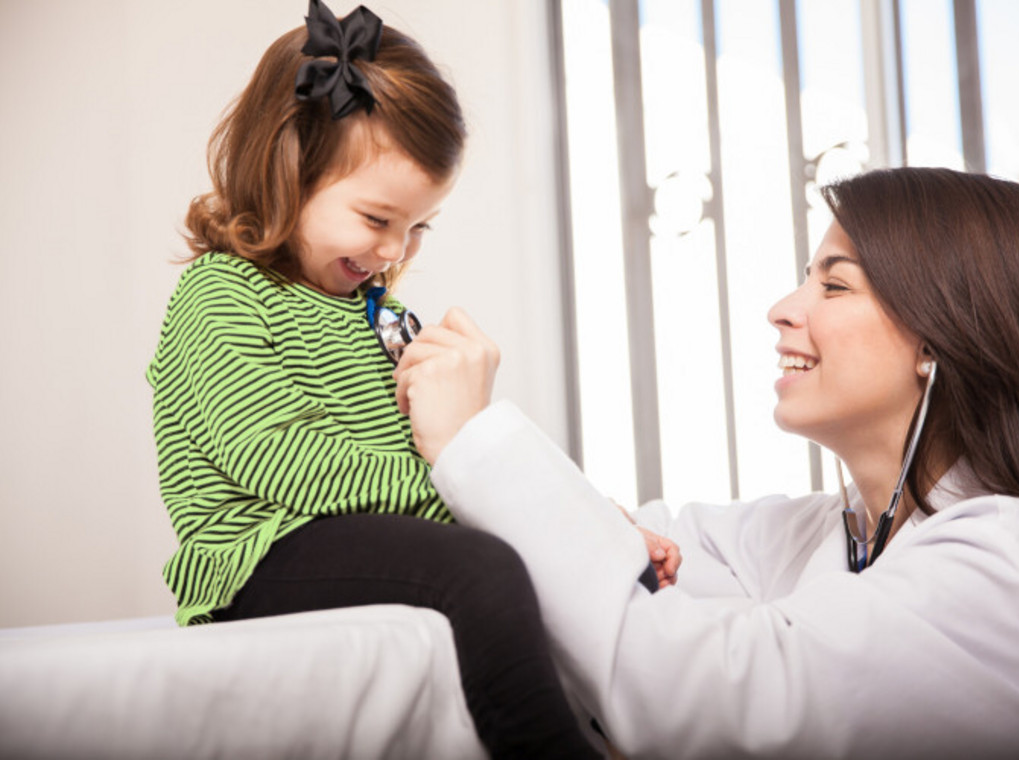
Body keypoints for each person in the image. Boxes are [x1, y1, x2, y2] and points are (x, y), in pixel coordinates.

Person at [394, 167, 1019, 759]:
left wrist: (474, 438)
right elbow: (634, 553)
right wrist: (598, 531)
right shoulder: (823, 534)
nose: (782, 308)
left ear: (937, 339)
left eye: (834, 284)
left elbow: (696, 694)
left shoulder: (1011, 565)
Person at [146, 2, 666, 756]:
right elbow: (279, 461)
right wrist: (474, 502)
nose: (395, 251)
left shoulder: (384, 316)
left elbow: (455, 448)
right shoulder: (222, 294)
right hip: (257, 556)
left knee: (582, 563)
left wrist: (579, 517)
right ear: (289, 172)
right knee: (480, 568)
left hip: (367, 532)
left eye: (419, 226)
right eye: (376, 219)